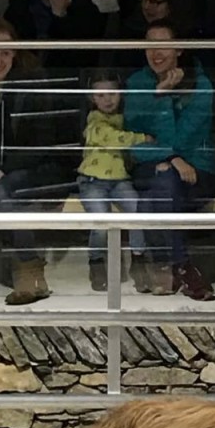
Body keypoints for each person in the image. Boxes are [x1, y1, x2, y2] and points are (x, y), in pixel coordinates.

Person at [0, 18, 79, 307]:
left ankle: (30, 271)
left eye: (4, 52)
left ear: (15, 52)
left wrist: (5, 170)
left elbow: (41, 141)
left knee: (3, 193)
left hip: (30, 167)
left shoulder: (32, 83)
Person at [125, 22, 215, 299]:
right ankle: (183, 266)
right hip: (151, 168)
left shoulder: (201, 85)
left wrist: (167, 151)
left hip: (198, 169)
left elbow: (182, 138)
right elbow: (131, 140)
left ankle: (163, 265)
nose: (155, 52)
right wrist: (159, 94)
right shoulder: (135, 83)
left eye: (163, 44)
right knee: (164, 182)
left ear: (179, 48)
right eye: (149, 45)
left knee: (153, 197)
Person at [74, 72, 152, 291]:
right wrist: (142, 138)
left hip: (119, 180)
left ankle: (139, 260)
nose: (107, 99)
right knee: (101, 222)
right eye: (100, 95)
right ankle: (96, 262)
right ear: (92, 99)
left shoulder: (126, 118)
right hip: (93, 181)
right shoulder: (94, 120)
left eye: (112, 93)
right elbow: (111, 137)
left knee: (138, 212)